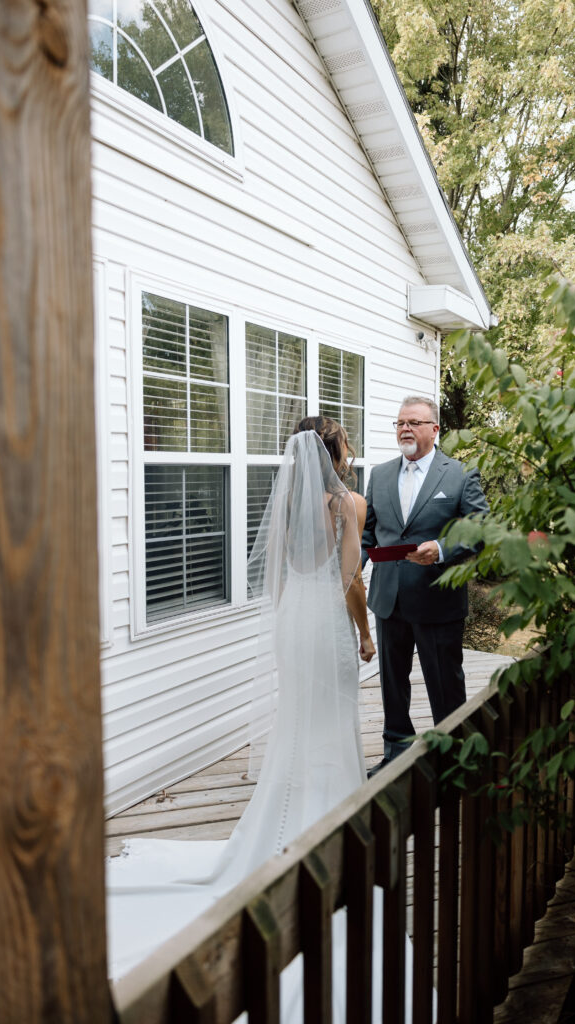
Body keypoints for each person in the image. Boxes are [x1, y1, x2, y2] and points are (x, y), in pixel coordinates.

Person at [107, 417, 376, 987]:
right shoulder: (348, 502)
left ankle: (288, 822)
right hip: (326, 621)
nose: (350, 452)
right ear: (335, 452)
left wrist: (286, 623)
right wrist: (366, 634)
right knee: (331, 720)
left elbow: (275, 576)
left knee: (297, 721)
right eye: (346, 444)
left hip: (289, 623)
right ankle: (331, 825)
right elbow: (351, 581)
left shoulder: (283, 506)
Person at [362, 397, 488, 777]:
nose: (405, 428)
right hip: (389, 599)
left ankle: (455, 762)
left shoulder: (460, 475)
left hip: (438, 601)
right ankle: (396, 752)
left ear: (435, 429)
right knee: (392, 685)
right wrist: (349, 571)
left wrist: (442, 548)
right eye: (400, 422)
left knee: (445, 685)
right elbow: (368, 533)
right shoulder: (380, 475)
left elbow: (480, 528)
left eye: (415, 422)